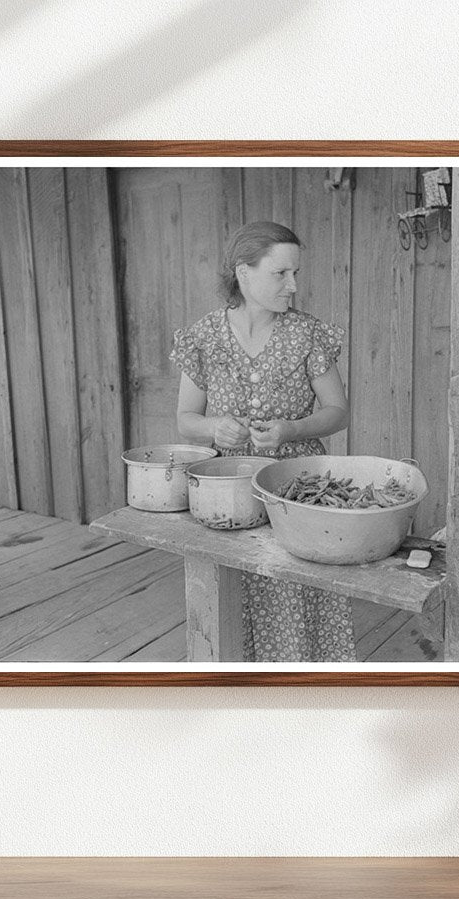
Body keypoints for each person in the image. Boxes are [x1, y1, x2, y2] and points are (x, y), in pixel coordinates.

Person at [171, 221, 357, 661]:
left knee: (295, 593)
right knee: (228, 595)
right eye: (281, 273)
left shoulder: (308, 334)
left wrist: (291, 430)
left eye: (296, 273)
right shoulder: (203, 338)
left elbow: (338, 412)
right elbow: (185, 420)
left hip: (295, 488)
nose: (293, 285)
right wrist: (216, 427)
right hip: (226, 490)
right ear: (243, 273)